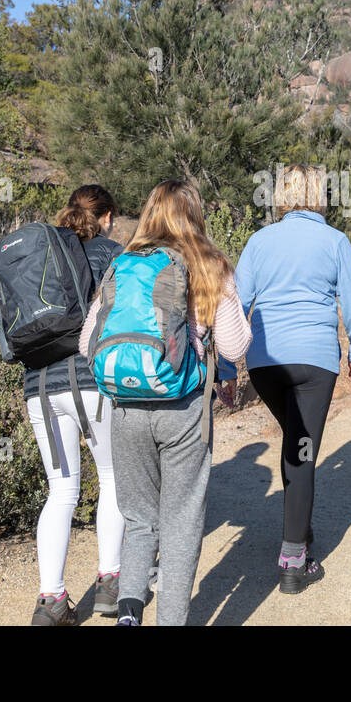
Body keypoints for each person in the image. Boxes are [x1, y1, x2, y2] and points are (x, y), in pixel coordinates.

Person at [78, 179, 250, 626]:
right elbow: (233, 346)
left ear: (150, 211)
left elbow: (85, 344)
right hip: (185, 410)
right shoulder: (210, 264)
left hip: (126, 407)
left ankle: (129, 614)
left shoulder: (125, 263)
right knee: (181, 523)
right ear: (194, 213)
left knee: (139, 519)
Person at [229, 164, 351, 594]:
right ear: (319, 196)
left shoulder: (259, 240)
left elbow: (235, 303)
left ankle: (299, 530)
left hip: (266, 363)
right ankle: (293, 561)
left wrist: (224, 367)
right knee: (304, 452)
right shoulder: (335, 241)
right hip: (314, 363)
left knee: (296, 444)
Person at [23, 184, 126, 625]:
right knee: (112, 479)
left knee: (61, 490)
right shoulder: (113, 253)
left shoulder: (41, 255)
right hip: (92, 382)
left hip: (39, 386)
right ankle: (110, 581)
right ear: (105, 217)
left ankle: (51, 600)